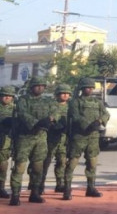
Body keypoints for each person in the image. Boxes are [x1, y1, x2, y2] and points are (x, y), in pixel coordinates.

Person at [11, 77, 59, 205]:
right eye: (37, 86)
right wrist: (36, 123)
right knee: (19, 167)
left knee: (38, 167)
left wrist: (51, 119)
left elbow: (56, 111)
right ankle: (15, 195)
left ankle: (35, 193)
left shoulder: (48, 101)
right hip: (24, 138)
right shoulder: (23, 100)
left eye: (42, 86)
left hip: (41, 138)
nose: (40, 88)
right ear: (31, 87)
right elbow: (22, 113)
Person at [63, 77, 109, 201]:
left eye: (91, 87)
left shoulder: (97, 102)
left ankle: (91, 188)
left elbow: (106, 114)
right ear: (82, 88)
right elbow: (75, 116)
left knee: (92, 163)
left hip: (93, 137)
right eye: (87, 87)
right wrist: (89, 124)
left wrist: (99, 121)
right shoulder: (75, 102)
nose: (90, 89)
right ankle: (67, 189)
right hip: (79, 136)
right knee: (72, 163)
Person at [41, 84, 70, 195]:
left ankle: (60, 184)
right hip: (51, 137)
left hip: (63, 138)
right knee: (46, 162)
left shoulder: (70, 107)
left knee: (62, 162)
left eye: (67, 93)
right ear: (57, 94)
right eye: (63, 93)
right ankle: (40, 185)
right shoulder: (50, 105)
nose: (65, 95)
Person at [0, 86, 16, 199]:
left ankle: (1, 188)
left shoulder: (15, 109)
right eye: (5, 95)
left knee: (3, 166)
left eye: (9, 96)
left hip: (6, 142)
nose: (7, 97)